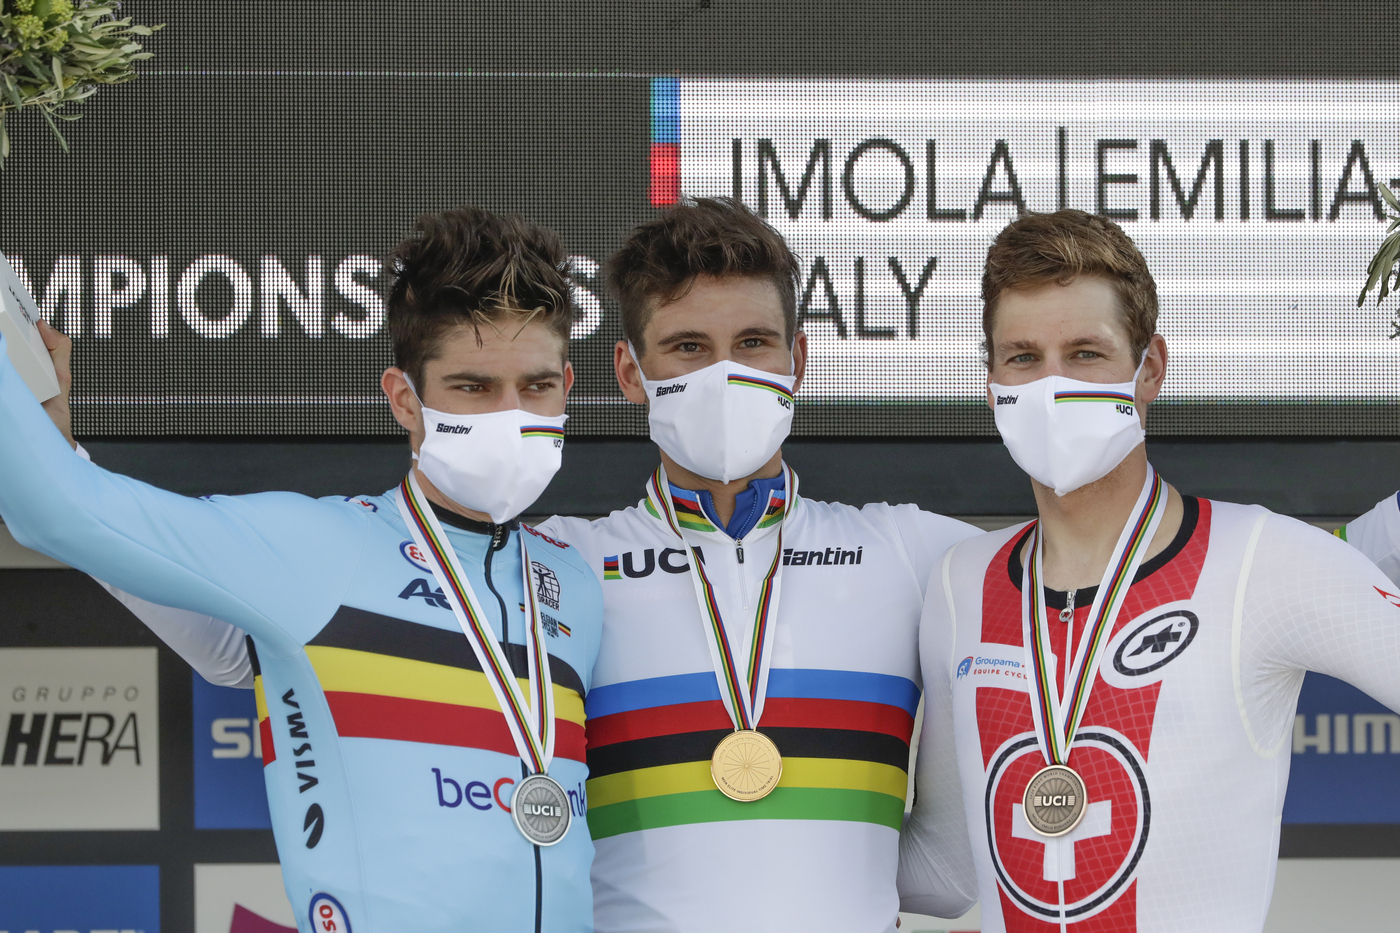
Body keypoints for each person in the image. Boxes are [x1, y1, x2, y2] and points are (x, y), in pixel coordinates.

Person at [45, 198, 983, 932]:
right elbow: (226, 641)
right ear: (628, 372)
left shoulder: (918, 552)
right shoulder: (555, 568)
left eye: (754, 345)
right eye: (687, 348)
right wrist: (60, 462)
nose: (724, 375)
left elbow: (1096, 581)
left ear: (800, 360)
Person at [0, 207, 603, 933]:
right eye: (473, 388)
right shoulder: (314, 546)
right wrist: (44, 431)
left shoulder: (577, 580)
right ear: (404, 398)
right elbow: (59, 513)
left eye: (535, 387)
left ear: (567, 386)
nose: (511, 415)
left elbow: (232, 654)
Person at [897, 210, 1400, 932]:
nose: (1052, 385)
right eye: (1023, 358)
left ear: (1150, 369)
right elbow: (946, 868)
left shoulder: (1264, 559)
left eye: (1085, 353)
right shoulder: (959, 581)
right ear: (992, 386)